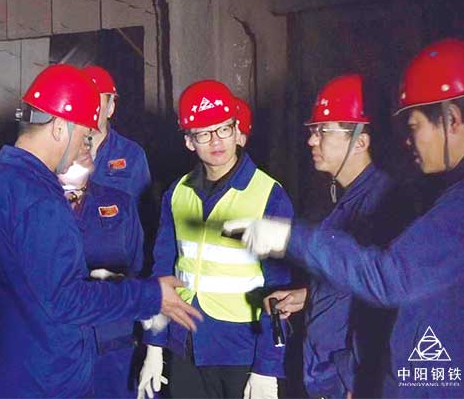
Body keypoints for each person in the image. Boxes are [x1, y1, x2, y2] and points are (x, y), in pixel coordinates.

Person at [227, 38, 464, 398]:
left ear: (451, 119)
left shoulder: (426, 203)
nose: (408, 141)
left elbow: (389, 284)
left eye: (414, 126)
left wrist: (354, 377)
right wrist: (310, 296)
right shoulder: (437, 195)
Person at [0, 64, 202, 398]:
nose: (84, 150)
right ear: (60, 127)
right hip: (46, 381)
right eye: (85, 137)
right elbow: (65, 300)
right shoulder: (41, 200)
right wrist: (150, 296)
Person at [137, 80, 294, 399]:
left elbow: (279, 290)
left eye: (223, 129)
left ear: (237, 130)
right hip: (185, 345)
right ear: (189, 141)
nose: (216, 140)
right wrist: (154, 344)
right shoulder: (177, 193)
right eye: (204, 133)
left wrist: (268, 367)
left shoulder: (268, 195)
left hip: (241, 350)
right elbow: (163, 274)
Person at [263, 74, 397, 398]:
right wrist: (309, 296)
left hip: (346, 382)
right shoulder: (350, 199)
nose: (312, 141)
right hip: (327, 375)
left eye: (322, 131)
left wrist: (359, 380)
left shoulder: (380, 207)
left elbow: (390, 305)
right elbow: (353, 281)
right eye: (313, 131)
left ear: (360, 141)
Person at [57, 139, 146, 398]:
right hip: (60, 347)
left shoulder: (120, 203)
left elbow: (140, 269)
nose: (83, 149)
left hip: (116, 344)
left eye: (86, 143)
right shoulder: (34, 205)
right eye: (73, 144)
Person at [82, 66, 151, 201]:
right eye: (82, 103)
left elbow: (144, 209)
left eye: (95, 105)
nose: (87, 112)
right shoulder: (60, 152)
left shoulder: (131, 154)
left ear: (110, 109)